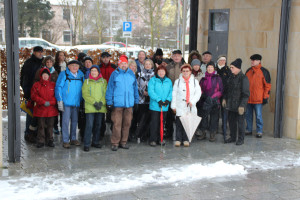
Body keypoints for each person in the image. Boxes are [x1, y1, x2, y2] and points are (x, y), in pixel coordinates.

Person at [106, 55, 139, 151]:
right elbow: (110, 89)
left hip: (129, 104)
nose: (124, 65)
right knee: (117, 124)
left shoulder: (131, 74)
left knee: (127, 123)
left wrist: (136, 101)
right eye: (122, 63)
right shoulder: (114, 74)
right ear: (119, 64)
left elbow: (135, 88)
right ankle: (115, 142)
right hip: (117, 104)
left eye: (125, 63)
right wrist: (109, 102)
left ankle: (123, 142)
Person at [55, 60, 85, 148]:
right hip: (66, 102)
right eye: (73, 65)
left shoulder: (81, 75)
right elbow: (58, 87)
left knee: (75, 121)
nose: (75, 67)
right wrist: (59, 99)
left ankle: (73, 138)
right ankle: (65, 140)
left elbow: (84, 88)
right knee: (65, 122)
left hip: (76, 102)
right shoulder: (64, 74)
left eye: (76, 66)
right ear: (68, 66)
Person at [171, 64, 201, 147]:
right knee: (179, 123)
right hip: (180, 105)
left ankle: (186, 139)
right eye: (183, 71)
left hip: (190, 105)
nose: (185, 72)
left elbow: (198, 93)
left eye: (187, 71)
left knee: (187, 123)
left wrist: (193, 101)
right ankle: (178, 139)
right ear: (181, 72)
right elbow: (174, 93)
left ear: (190, 72)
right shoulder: (178, 81)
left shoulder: (195, 81)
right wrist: (173, 105)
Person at [222, 58, 249, 145]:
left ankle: (241, 139)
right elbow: (227, 90)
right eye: (230, 67)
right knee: (231, 122)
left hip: (239, 105)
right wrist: (224, 98)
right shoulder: (230, 77)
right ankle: (233, 137)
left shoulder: (243, 78)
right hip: (230, 104)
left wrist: (242, 105)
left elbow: (246, 94)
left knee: (240, 123)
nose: (231, 69)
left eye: (232, 67)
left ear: (238, 68)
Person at [20, 46, 44, 142]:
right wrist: (27, 93)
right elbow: (25, 79)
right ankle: (28, 134)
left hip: (41, 94)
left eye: (41, 52)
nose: (40, 54)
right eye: (38, 52)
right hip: (31, 93)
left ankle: (37, 134)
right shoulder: (29, 63)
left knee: (38, 115)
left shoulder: (43, 63)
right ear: (34, 52)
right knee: (31, 114)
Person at [31, 67, 58, 148]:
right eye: (44, 75)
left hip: (51, 109)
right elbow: (34, 96)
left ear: (49, 76)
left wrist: (50, 102)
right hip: (40, 109)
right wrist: (43, 102)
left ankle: (50, 140)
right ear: (41, 76)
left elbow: (56, 96)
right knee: (41, 126)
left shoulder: (53, 84)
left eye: (46, 75)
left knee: (50, 126)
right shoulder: (36, 85)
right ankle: (41, 141)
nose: (45, 76)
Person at [245, 54, 271, 138]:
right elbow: (244, 84)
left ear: (259, 61)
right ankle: (249, 129)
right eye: (251, 60)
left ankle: (259, 131)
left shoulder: (264, 71)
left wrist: (265, 97)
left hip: (258, 99)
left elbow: (267, 86)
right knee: (248, 115)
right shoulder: (248, 71)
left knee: (258, 116)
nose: (252, 61)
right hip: (249, 98)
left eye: (254, 60)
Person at [82, 65, 107, 152]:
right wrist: (94, 103)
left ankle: (95, 141)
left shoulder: (103, 82)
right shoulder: (87, 81)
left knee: (98, 124)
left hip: (100, 106)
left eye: (95, 71)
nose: (93, 72)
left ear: (98, 72)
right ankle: (87, 143)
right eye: (92, 71)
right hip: (90, 107)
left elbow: (105, 93)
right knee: (89, 125)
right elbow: (85, 94)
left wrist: (101, 102)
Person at [197, 61, 223, 142]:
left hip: (215, 101)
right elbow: (199, 89)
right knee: (204, 118)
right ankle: (203, 133)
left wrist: (213, 97)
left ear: (214, 68)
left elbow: (221, 90)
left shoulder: (218, 78)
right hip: (204, 101)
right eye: (208, 67)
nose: (210, 69)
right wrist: (203, 96)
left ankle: (212, 134)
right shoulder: (203, 79)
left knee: (214, 118)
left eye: (211, 67)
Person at [148, 65, 173, 146]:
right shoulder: (153, 80)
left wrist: (167, 100)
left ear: (165, 72)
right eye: (159, 71)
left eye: (163, 71)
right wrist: (158, 100)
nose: (161, 73)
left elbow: (171, 92)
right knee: (154, 123)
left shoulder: (168, 81)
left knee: (162, 123)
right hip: (155, 106)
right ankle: (153, 139)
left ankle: (160, 139)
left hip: (164, 106)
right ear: (157, 72)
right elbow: (151, 91)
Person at [165, 49, 186, 139]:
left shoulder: (185, 67)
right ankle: (169, 133)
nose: (177, 57)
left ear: (181, 57)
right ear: (172, 57)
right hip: (170, 94)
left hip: (182, 95)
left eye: (178, 55)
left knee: (181, 115)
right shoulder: (168, 67)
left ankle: (181, 135)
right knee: (169, 115)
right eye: (175, 55)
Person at [135, 59, 155, 142]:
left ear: (152, 65)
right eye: (146, 64)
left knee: (150, 118)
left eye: (149, 64)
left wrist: (149, 93)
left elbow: (155, 86)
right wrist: (143, 92)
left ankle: (147, 135)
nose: (147, 65)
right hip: (142, 100)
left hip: (151, 100)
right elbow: (137, 85)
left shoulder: (155, 75)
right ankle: (140, 134)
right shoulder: (139, 74)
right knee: (142, 118)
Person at [216, 55, 232, 140]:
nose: (223, 62)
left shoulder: (228, 70)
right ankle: (214, 128)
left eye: (224, 60)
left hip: (224, 94)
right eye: (221, 60)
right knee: (215, 112)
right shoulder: (214, 69)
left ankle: (224, 128)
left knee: (224, 112)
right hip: (215, 94)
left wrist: (226, 96)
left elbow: (228, 84)